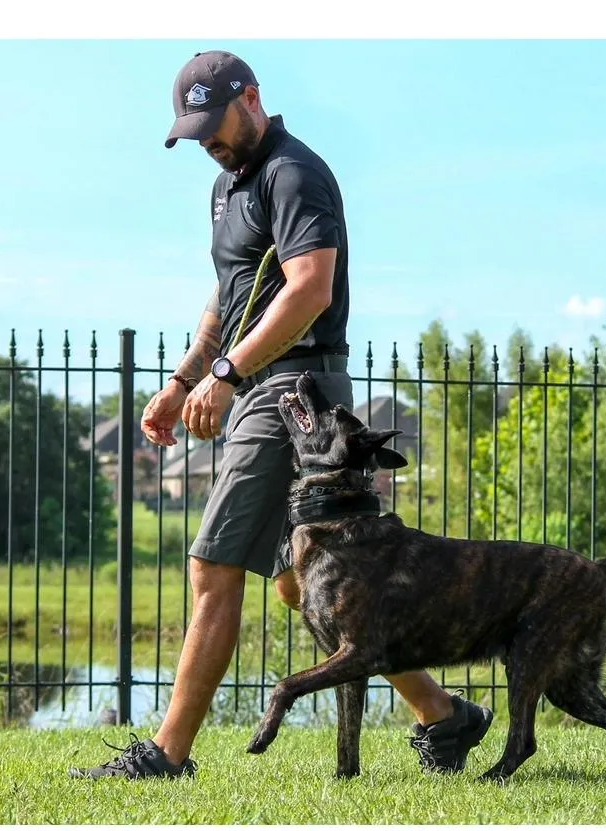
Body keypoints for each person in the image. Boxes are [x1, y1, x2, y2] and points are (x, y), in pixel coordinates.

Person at [69, 50, 493, 781]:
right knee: (301, 581)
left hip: (291, 389)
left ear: (251, 98)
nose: (207, 139)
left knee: (212, 561)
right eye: (193, 130)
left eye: (214, 122)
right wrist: (182, 380)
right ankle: (445, 715)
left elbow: (310, 289)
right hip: (263, 387)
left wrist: (231, 375)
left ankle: (165, 755)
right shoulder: (226, 188)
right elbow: (227, 298)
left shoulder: (293, 173)